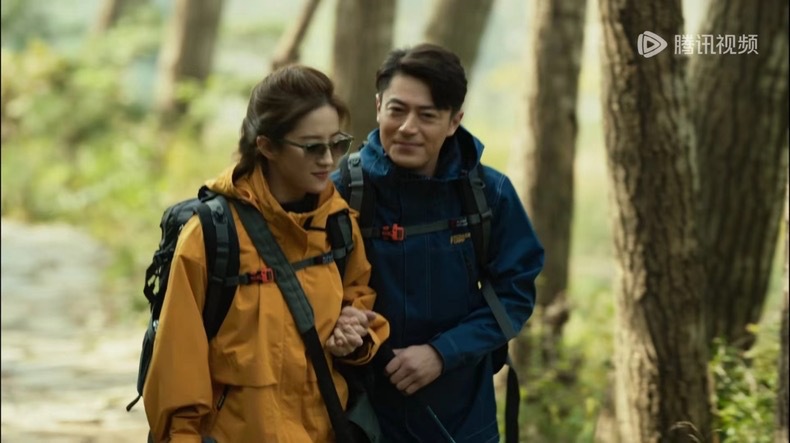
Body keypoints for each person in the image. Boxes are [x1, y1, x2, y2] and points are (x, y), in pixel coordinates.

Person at [143, 65, 390, 442]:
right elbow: (178, 371)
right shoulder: (212, 236)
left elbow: (360, 297)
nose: (328, 160)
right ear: (267, 146)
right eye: (312, 147)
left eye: (337, 144)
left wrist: (354, 330)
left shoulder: (337, 224)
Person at [331, 43, 545, 442]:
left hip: (462, 419)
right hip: (362, 417)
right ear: (378, 107)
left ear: (454, 121)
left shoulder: (488, 195)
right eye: (397, 110)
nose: (407, 127)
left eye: (427, 115)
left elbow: (514, 294)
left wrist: (443, 353)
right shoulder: (341, 193)